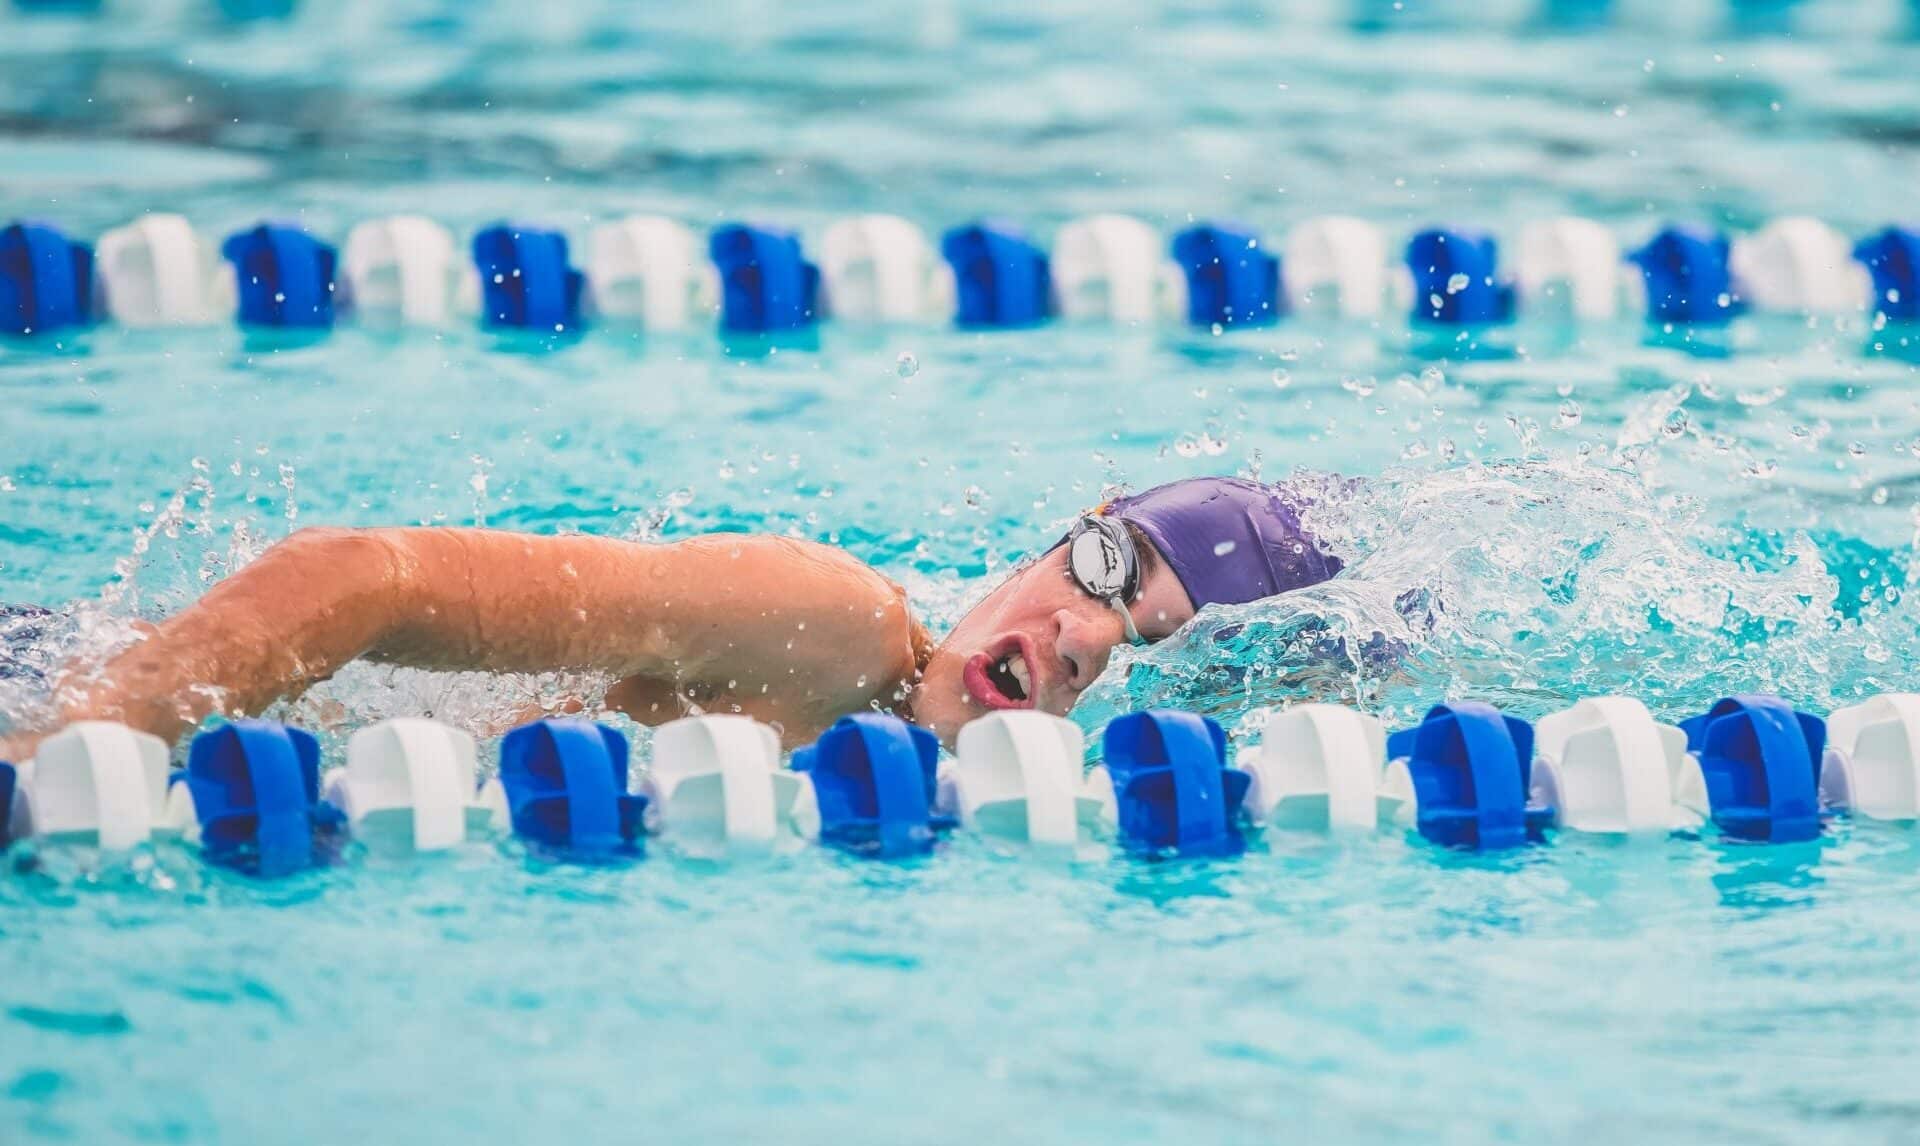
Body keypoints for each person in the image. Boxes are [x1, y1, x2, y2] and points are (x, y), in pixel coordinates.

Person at [0, 476, 1341, 760]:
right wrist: (67, 741)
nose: (1084, 637)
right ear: (1052, 539)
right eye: (1104, 569)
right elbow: (365, 573)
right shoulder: (826, 624)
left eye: (1140, 643)